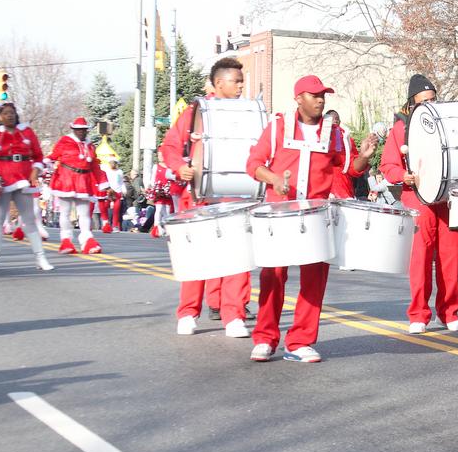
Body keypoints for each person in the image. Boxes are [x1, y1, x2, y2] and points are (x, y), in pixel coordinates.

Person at [246, 74, 377, 363]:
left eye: (323, 96)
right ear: (298, 98)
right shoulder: (279, 126)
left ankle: (300, 341)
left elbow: (348, 169)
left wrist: (364, 157)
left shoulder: (333, 132)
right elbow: (253, 164)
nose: (320, 100)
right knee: (273, 275)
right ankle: (265, 337)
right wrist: (275, 179)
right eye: (314, 95)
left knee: (315, 275)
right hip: (280, 212)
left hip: (316, 212)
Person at [160, 56, 254, 338]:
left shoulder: (249, 112)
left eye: (242, 81)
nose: (240, 86)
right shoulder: (195, 112)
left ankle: (234, 315)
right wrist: (180, 167)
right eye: (235, 81)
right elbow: (170, 146)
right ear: (218, 83)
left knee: (238, 259)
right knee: (196, 257)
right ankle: (188, 313)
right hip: (200, 197)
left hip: (237, 196)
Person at [380, 74, 458, 334]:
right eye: (423, 101)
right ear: (411, 103)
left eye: (432, 99)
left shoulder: (444, 125)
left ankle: (449, 312)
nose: (429, 104)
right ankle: (418, 313)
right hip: (417, 197)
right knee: (421, 258)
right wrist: (401, 176)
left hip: (445, 200)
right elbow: (388, 165)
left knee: (450, 258)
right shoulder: (400, 129)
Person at [0, 102, 54, 271]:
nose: (9, 116)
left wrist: (36, 170)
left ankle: (40, 259)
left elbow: (39, 155)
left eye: (12, 113)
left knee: (29, 220)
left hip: (23, 178)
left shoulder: (27, 132)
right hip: (2, 180)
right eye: (5, 113)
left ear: (16, 115)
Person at [48, 117, 108, 255]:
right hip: (66, 180)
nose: (81, 132)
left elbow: (95, 166)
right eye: (78, 130)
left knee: (84, 213)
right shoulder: (65, 142)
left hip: (83, 181)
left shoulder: (90, 146)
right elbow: (53, 156)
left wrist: (104, 183)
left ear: (87, 131)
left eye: (83, 130)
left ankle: (87, 239)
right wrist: (41, 166)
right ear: (73, 130)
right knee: (65, 212)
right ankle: (66, 240)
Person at [325, 110, 360, 199]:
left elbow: (353, 164)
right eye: (332, 119)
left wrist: (364, 157)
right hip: (325, 187)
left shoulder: (347, 139)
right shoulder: (318, 137)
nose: (335, 121)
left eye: (337, 119)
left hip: (344, 186)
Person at [104, 159, 126, 231]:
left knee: (116, 209)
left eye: (114, 163)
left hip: (117, 192)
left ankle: (115, 225)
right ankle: (106, 223)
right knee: (105, 207)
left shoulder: (119, 172)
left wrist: (124, 189)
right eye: (111, 163)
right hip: (108, 191)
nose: (113, 165)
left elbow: (121, 182)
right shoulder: (107, 171)